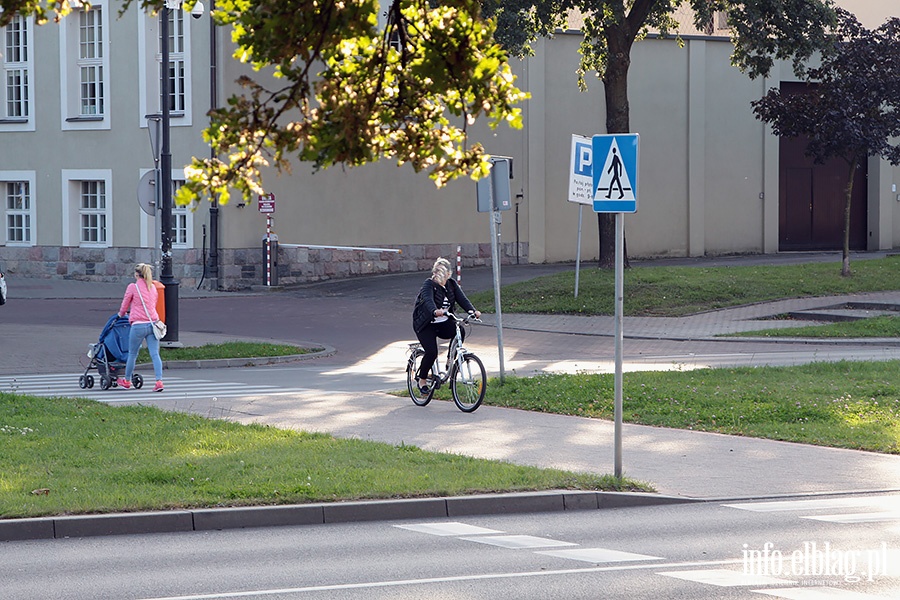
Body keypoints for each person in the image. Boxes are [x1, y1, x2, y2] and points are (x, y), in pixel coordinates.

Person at [412, 257, 481, 394]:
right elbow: (428, 300)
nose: (442, 279)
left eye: (445, 276)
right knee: (431, 352)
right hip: (426, 325)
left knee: (459, 330)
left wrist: (472, 311)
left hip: (443, 323)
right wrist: (434, 311)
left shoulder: (452, 284)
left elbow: (462, 299)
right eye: (439, 276)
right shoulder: (429, 284)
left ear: (449, 274)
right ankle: (422, 379)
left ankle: (450, 360)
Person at [117, 263, 164, 392]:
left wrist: (120, 315)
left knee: (132, 353)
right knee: (155, 354)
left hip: (138, 325)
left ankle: (127, 380)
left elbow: (125, 304)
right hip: (153, 324)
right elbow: (153, 304)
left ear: (137, 274)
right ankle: (159, 381)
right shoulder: (153, 287)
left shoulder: (133, 287)